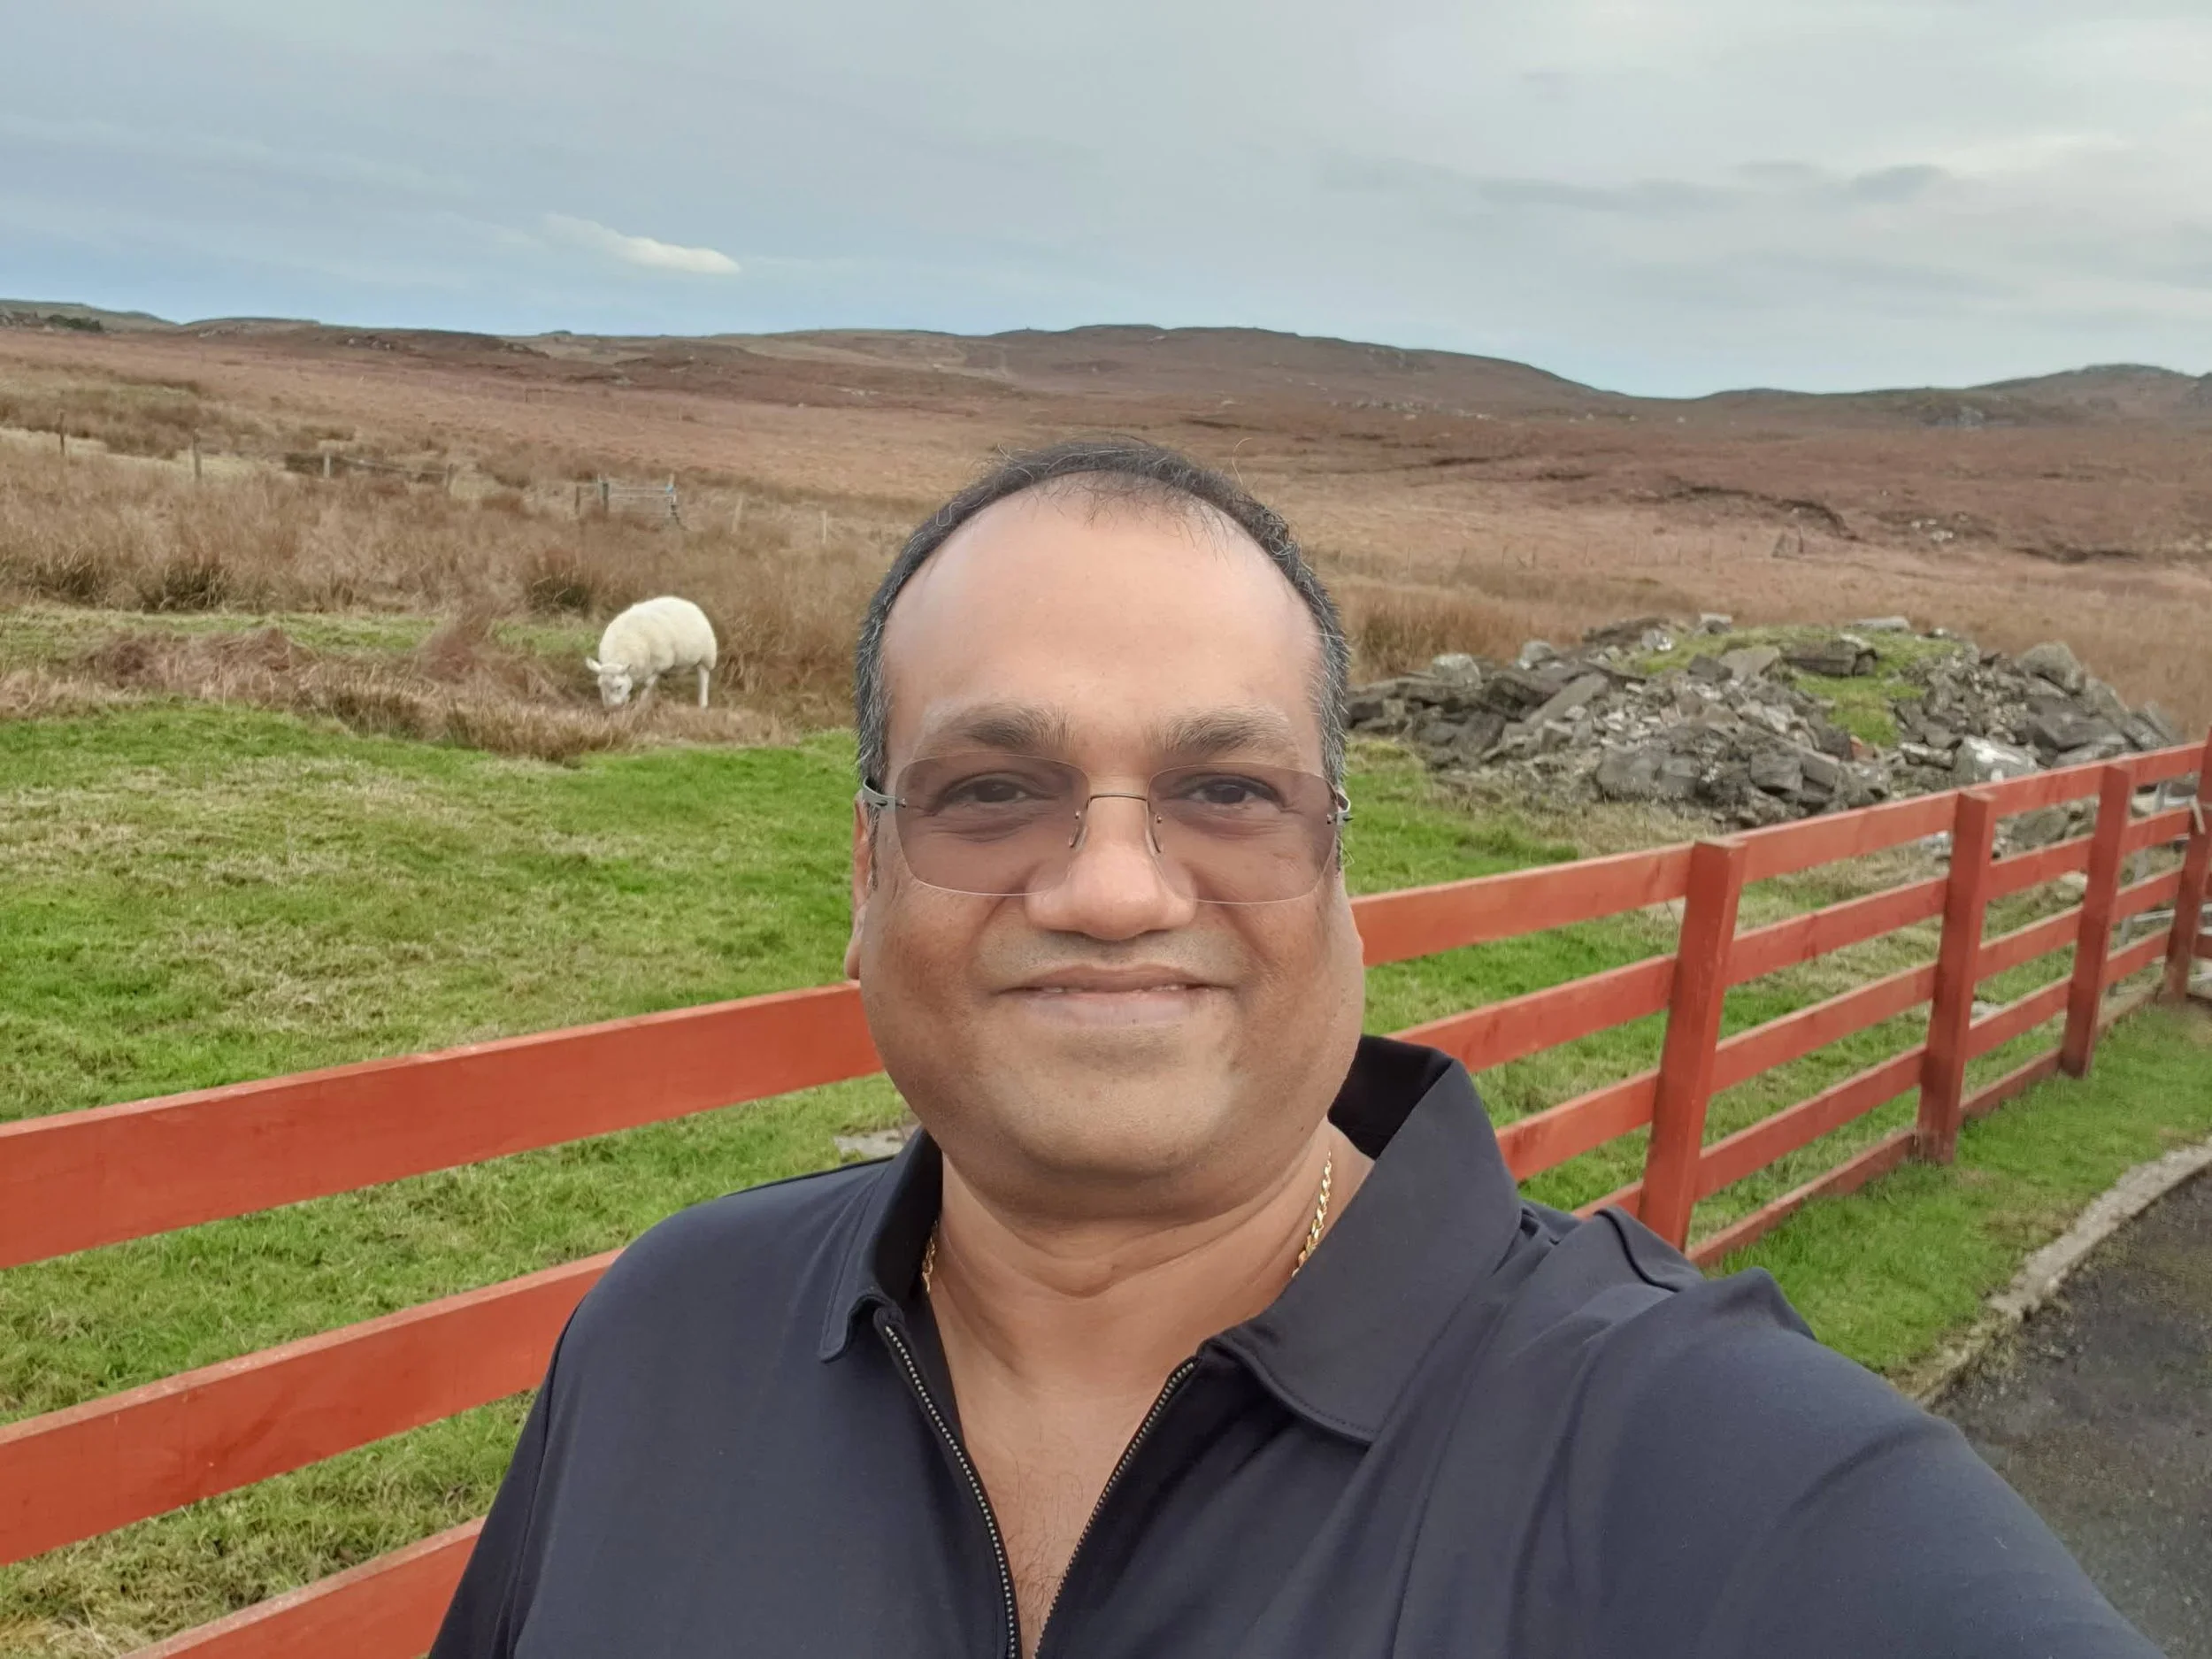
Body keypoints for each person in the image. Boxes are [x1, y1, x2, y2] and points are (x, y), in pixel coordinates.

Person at [432, 439, 2156, 1658]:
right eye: (992, 788)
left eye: (1225, 789)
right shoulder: (662, 1340)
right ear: (867, 879)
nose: (1112, 888)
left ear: (1339, 875)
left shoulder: (1712, 1478)